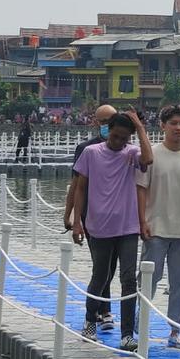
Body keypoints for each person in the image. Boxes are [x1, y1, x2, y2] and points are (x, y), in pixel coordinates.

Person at [69, 111, 153, 351]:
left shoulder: (132, 153)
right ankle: (89, 322)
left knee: (128, 279)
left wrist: (139, 127)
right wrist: (77, 221)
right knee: (101, 276)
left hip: (127, 227)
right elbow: (80, 188)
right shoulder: (91, 153)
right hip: (98, 226)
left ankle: (127, 334)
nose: (118, 142)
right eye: (115, 136)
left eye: (124, 139)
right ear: (108, 131)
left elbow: (148, 159)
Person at [135, 105, 180, 349]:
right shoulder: (152, 155)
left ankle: (176, 330)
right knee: (149, 278)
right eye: (174, 123)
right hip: (156, 228)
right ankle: (140, 324)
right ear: (162, 125)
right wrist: (142, 221)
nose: (178, 128)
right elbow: (140, 188)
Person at [63, 104, 119, 331]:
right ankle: (102, 311)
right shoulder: (86, 149)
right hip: (92, 215)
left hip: (117, 215)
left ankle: (102, 308)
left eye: (111, 120)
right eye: (103, 121)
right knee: (101, 265)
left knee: (112, 265)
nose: (106, 126)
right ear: (95, 122)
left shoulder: (125, 147)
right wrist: (70, 216)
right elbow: (76, 186)